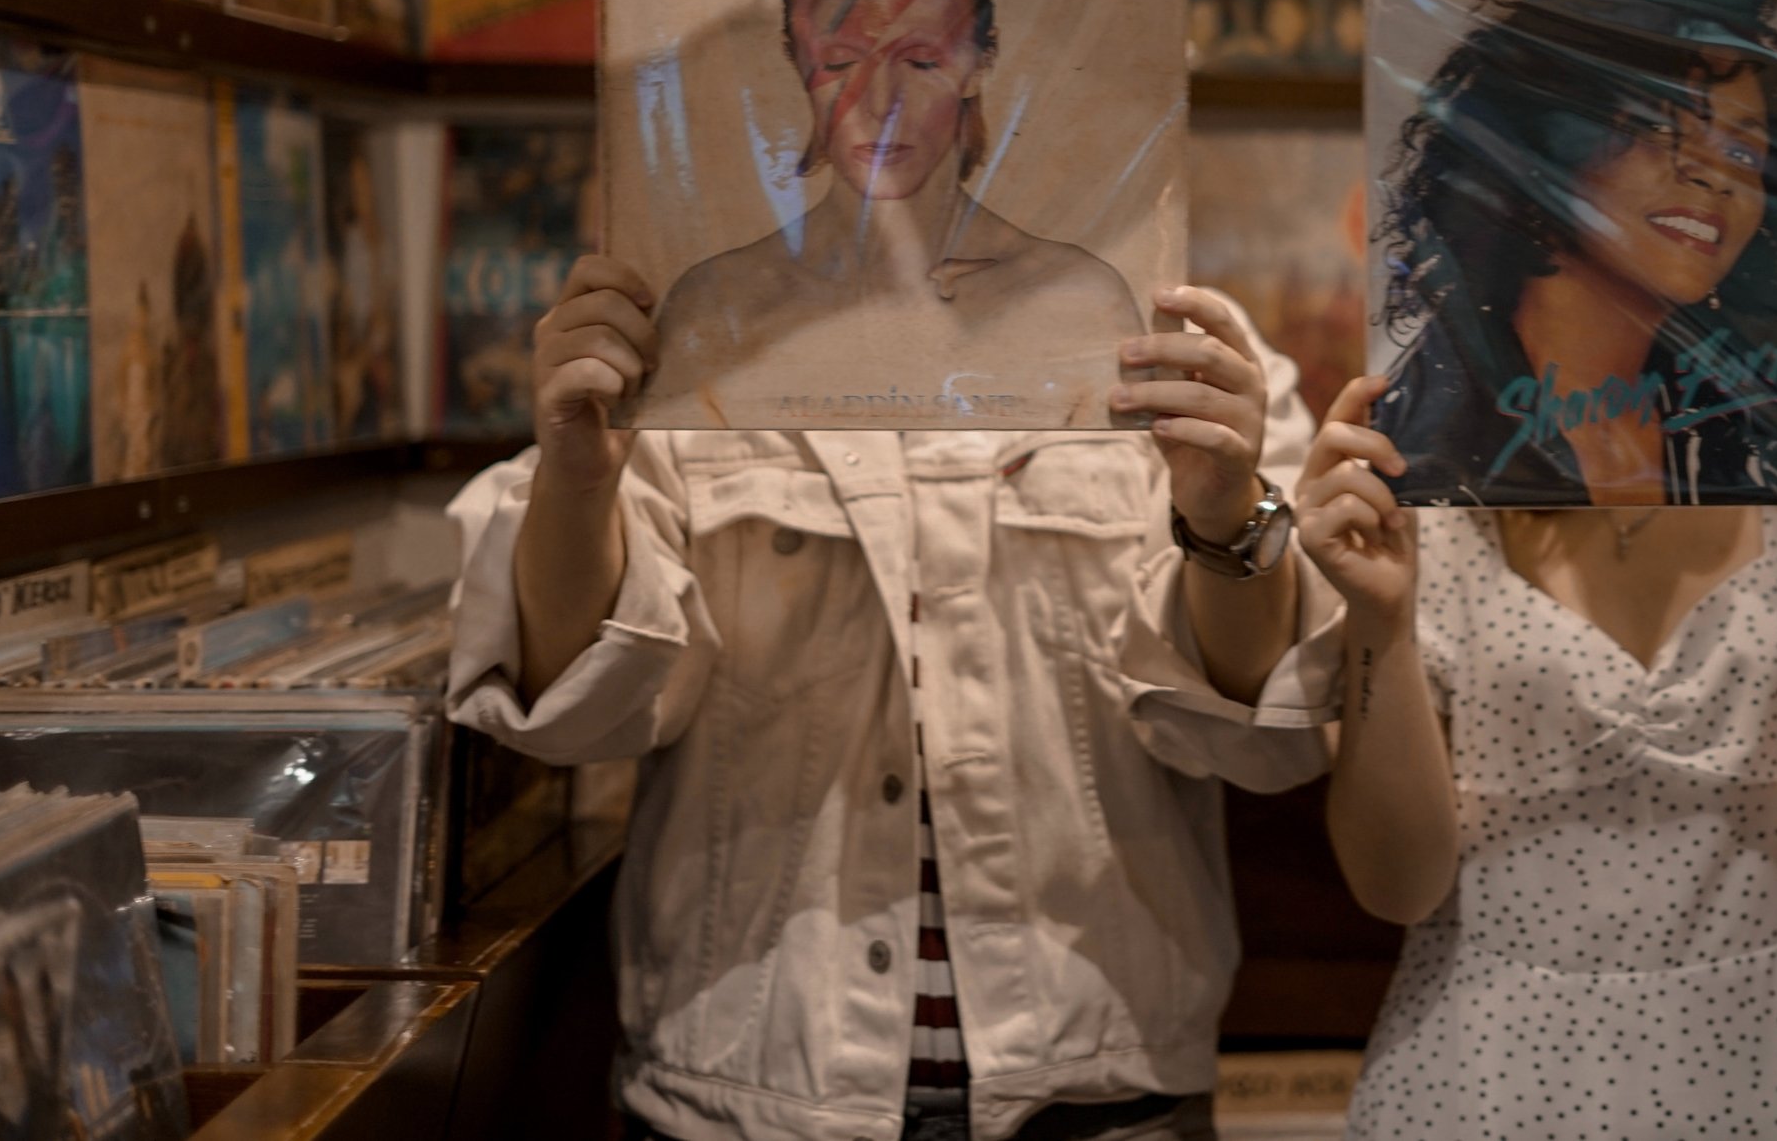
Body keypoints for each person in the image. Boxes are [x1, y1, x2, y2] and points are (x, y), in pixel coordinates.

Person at [447, 254, 1345, 1140]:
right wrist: (577, 473)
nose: (886, 106)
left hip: (1104, 1087)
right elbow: (573, 713)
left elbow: (1263, 738)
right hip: (744, 1092)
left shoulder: (1167, 344)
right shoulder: (694, 336)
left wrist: (1229, 515)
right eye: (836, 90)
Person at [1296, 377, 1777, 1138]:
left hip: (1765, 1069)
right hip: (1484, 1072)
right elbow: (1396, 886)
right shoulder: (1435, 502)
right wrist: (1379, 618)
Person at [637, 0, 1146, 429]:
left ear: (982, 59)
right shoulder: (713, 309)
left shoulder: (1081, 306)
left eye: (921, 62)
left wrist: (1231, 511)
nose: (878, 106)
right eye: (840, 63)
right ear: (793, 57)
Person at [1370, 0, 1777, 506]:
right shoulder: (1417, 446)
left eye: (1743, 152)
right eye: (1659, 127)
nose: (1715, 175)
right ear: (1541, 145)